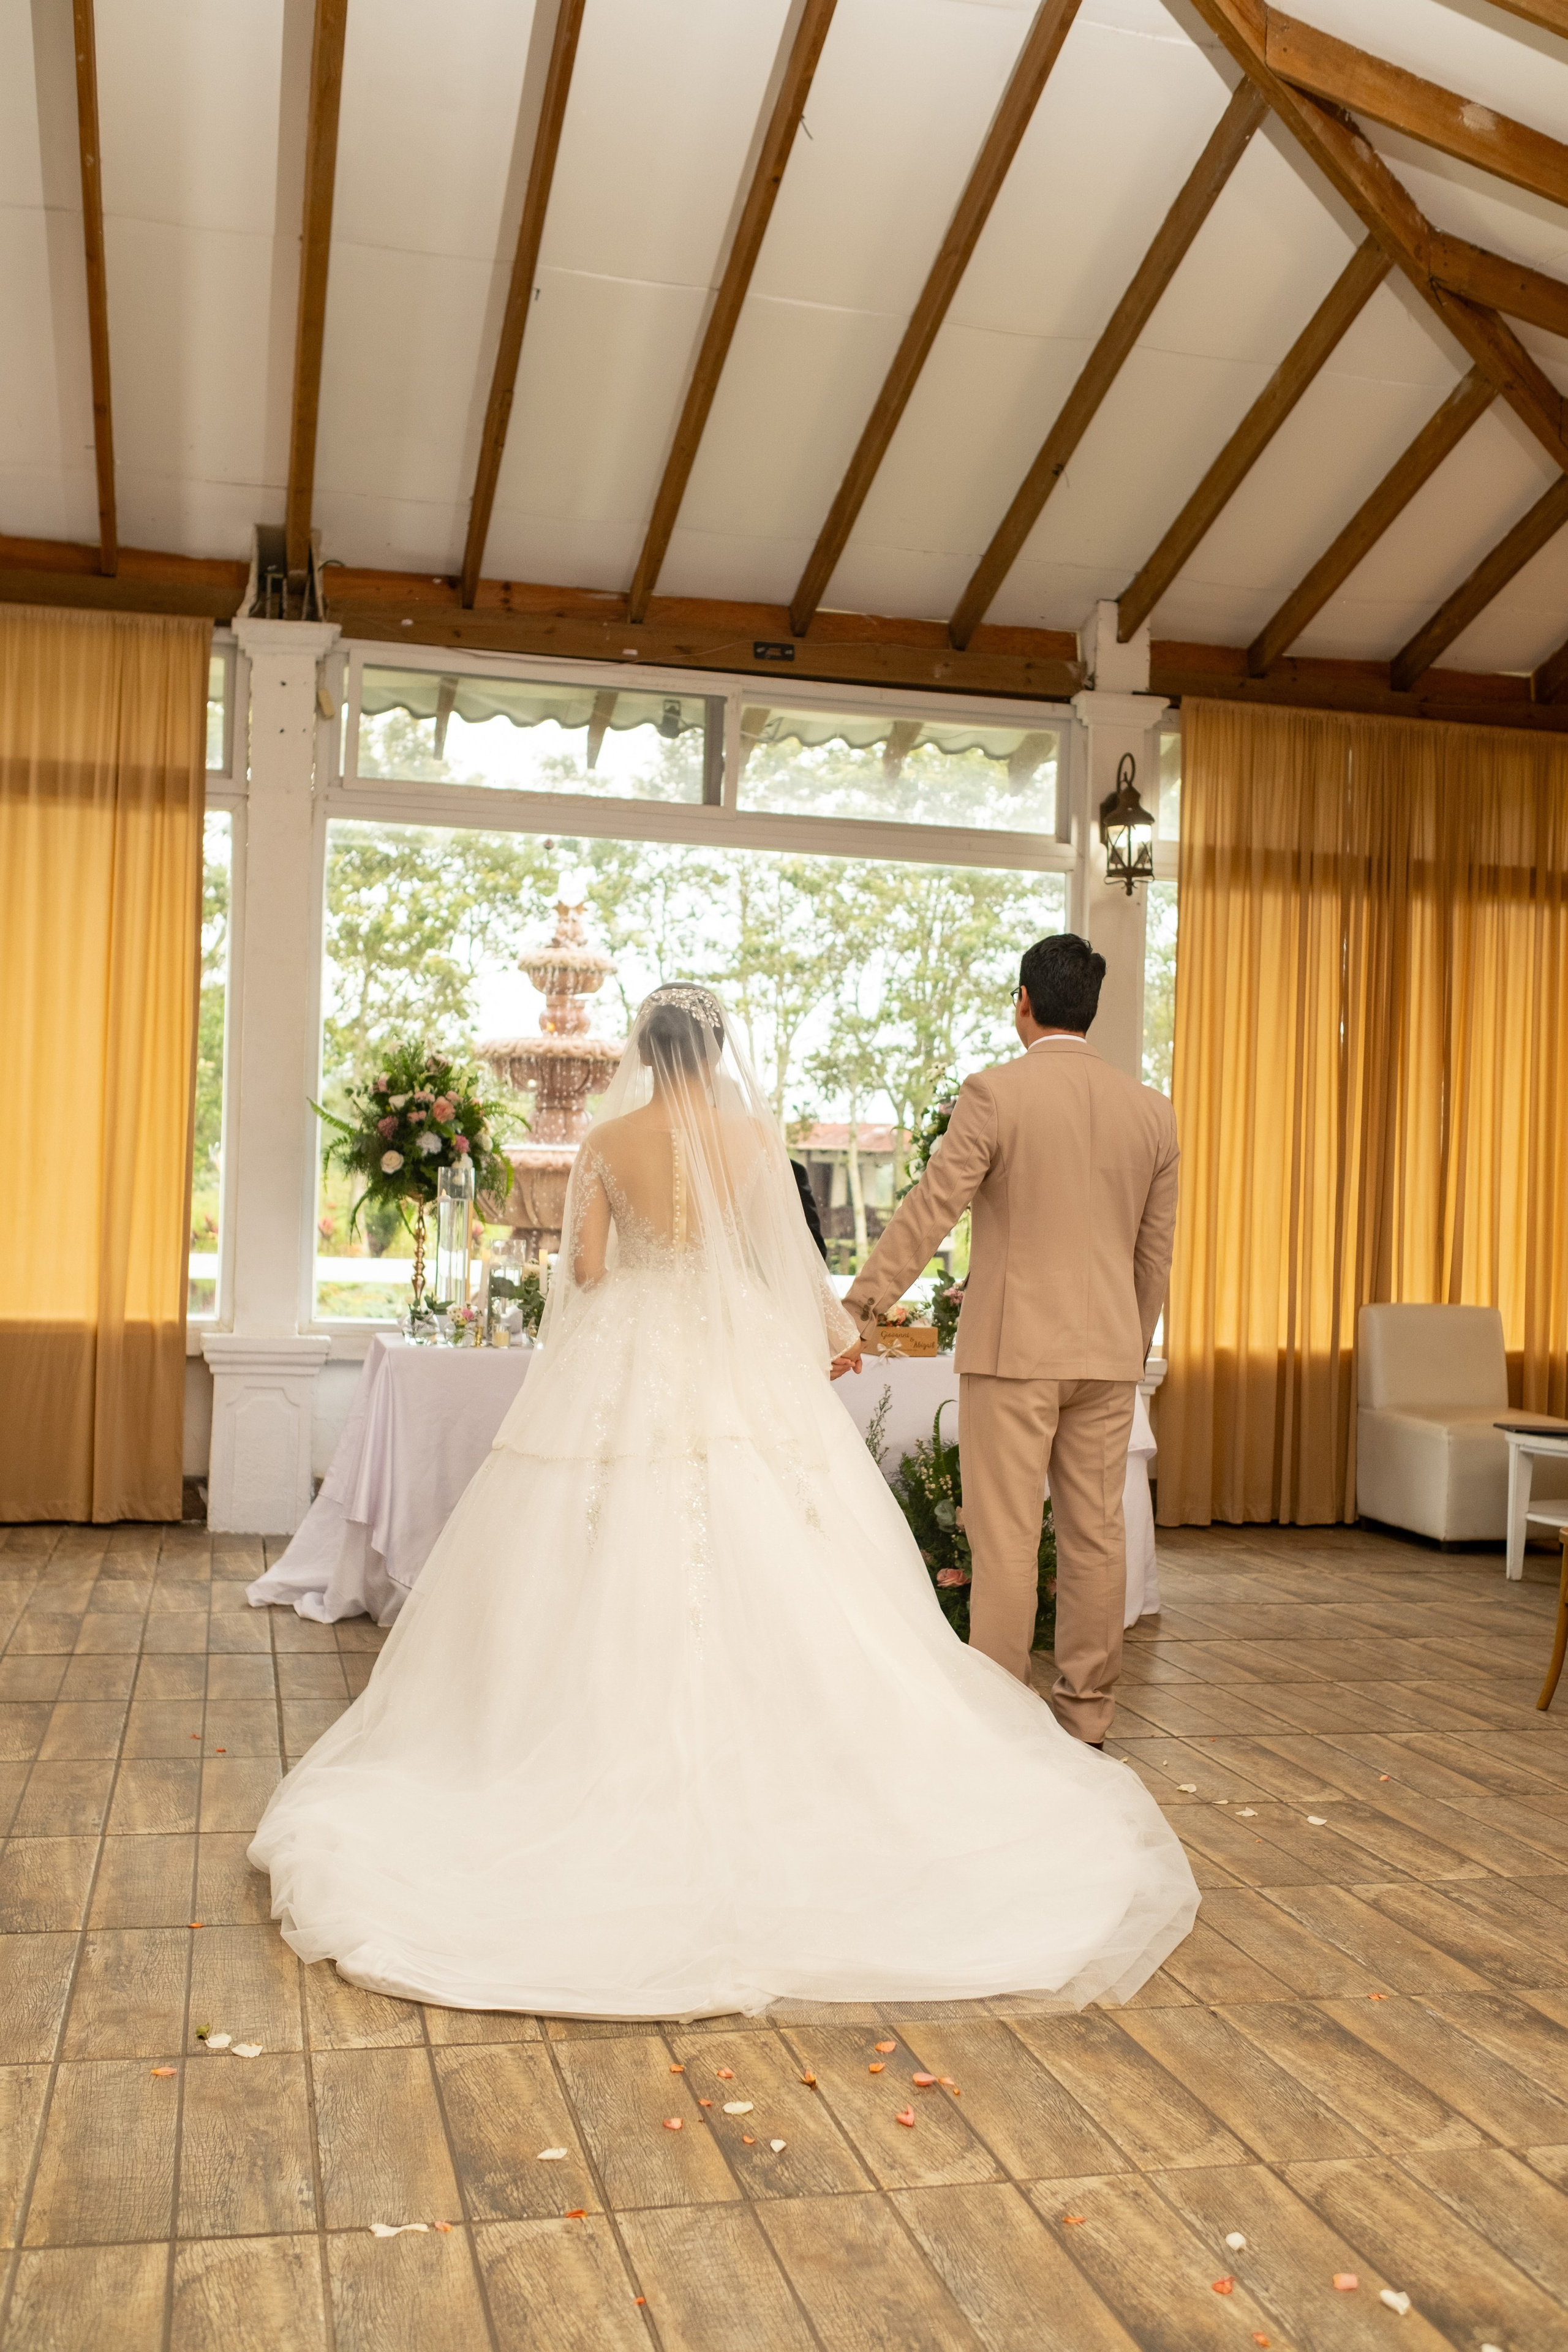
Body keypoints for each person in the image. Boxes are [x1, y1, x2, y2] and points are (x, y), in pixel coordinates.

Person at [249, 984, 1196, 2018]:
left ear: (645, 1054)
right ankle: (1043, 1715)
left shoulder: (608, 1137)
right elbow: (776, 1256)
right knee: (854, 1529)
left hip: (635, 1347)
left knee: (599, 1536)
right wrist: (837, 1331)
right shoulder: (751, 1137)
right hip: (769, 1348)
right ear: (717, 1049)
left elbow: (588, 1267)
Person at [837, 935, 1178, 1747]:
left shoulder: (995, 1094)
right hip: (1107, 1357)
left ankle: (998, 1726)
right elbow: (1154, 1251)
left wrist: (862, 1306)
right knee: (1097, 1538)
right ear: (1087, 1010)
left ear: (1022, 1001)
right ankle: (1087, 1719)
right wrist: (1127, 1347)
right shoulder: (1150, 1110)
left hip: (1014, 1352)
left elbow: (932, 1208)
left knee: (1007, 1540)